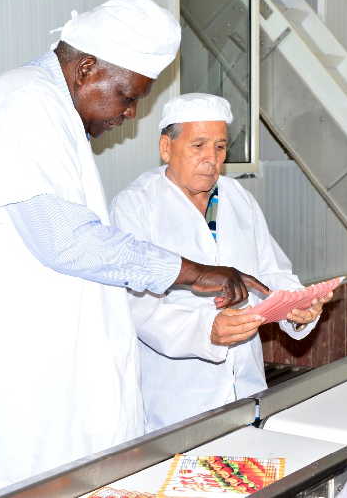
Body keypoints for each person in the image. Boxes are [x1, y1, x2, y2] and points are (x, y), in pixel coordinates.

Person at [0, 0, 268, 491]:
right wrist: (198, 273)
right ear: (86, 68)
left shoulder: (57, 115)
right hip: (30, 400)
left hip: (70, 401)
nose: (130, 113)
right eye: (127, 96)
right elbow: (66, 242)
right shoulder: (25, 103)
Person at [111, 94, 333, 431]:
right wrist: (205, 331)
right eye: (198, 145)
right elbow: (134, 305)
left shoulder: (237, 197)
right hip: (177, 400)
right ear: (166, 147)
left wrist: (296, 308)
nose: (210, 159)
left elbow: (271, 272)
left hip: (247, 389)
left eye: (219, 147)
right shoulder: (137, 206)